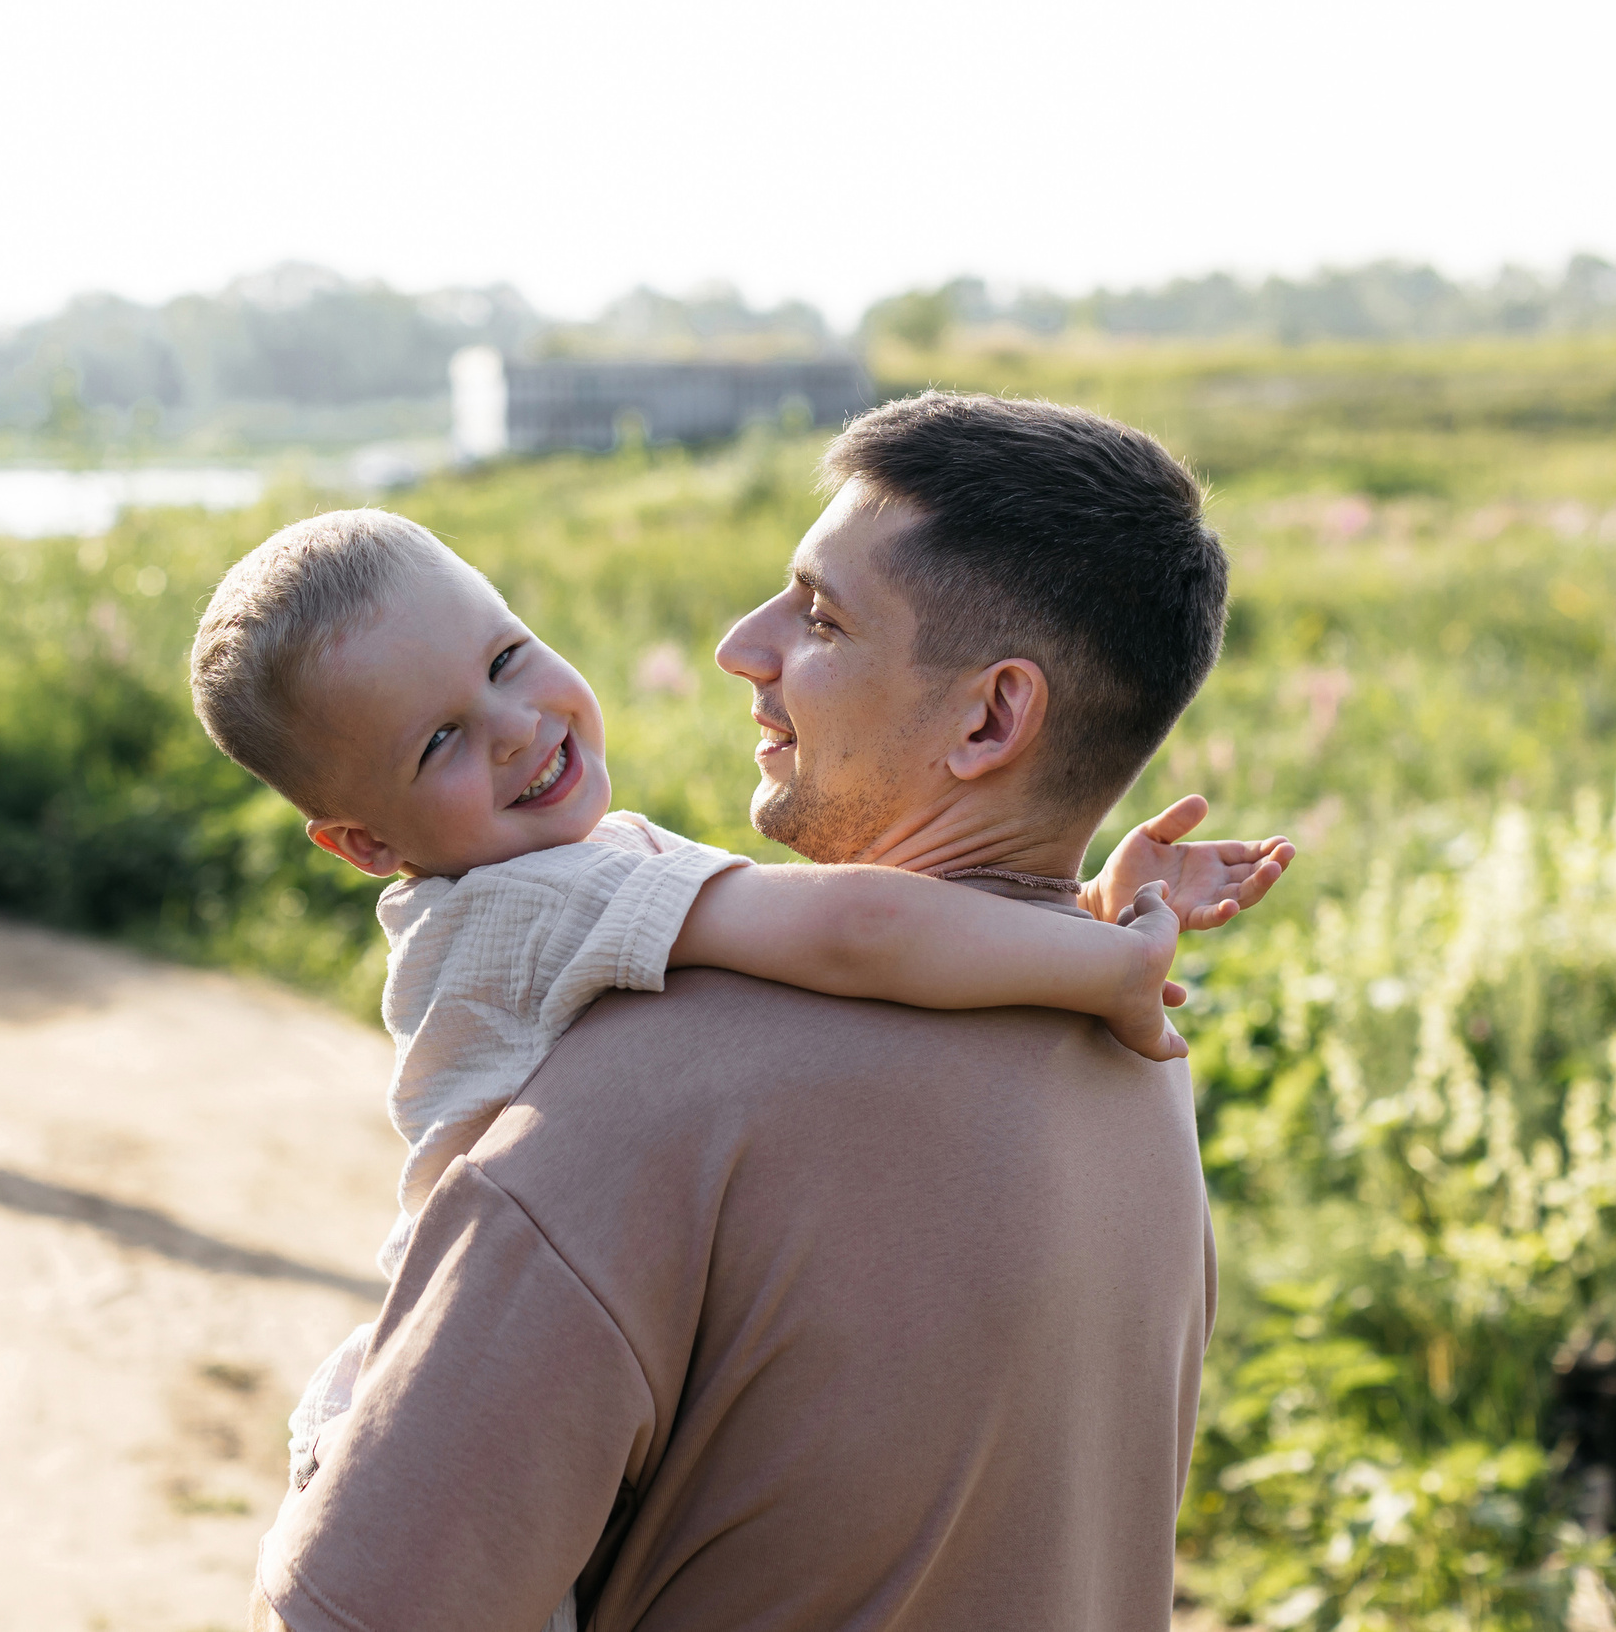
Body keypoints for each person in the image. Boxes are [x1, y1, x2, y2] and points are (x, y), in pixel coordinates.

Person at [250, 392, 1256, 1629]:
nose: (741, 643)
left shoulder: (636, 1102)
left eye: (820, 617)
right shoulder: (1139, 1076)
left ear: (991, 716)